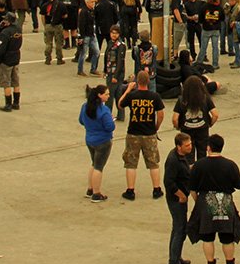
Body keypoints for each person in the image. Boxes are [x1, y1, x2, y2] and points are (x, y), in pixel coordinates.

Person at [186, 133, 240, 264]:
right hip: (225, 202)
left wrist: (199, 202)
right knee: (227, 237)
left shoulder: (199, 165)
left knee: (207, 237)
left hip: (206, 202)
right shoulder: (230, 165)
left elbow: (192, 187)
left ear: (208, 148)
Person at [119, 69, 165, 200]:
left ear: (137, 82)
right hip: (149, 133)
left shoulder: (132, 96)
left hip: (133, 132)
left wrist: (128, 90)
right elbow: (161, 114)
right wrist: (156, 127)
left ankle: (130, 190)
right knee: (153, 163)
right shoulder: (154, 96)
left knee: (131, 163)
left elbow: (120, 105)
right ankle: (156, 189)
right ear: (148, 82)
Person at [163, 132, 194, 264]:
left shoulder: (181, 156)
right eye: (187, 145)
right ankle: (173, 262)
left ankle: (176, 256)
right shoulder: (173, 160)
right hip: (176, 200)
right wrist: (180, 195)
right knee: (179, 229)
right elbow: (168, 182)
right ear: (179, 146)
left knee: (180, 229)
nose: (190, 147)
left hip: (181, 197)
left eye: (190, 144)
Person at [79, 84, 116, 202]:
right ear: (100, 95)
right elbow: (110, 127)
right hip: (102, 141)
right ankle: (96, 193)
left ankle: (90, 189)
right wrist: (111, 119)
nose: (108, 96)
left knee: (94, 163)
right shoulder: (104, 111)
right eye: (106, 94)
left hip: (90, 139)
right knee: (99, 167)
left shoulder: (85, 107)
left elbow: (81, 120)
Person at [174, 74, 219, 159]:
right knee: (202, 154)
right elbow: (215, 115)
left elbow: (175, 118)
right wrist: (209, 124)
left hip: (186, 131)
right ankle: (200, 171)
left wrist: (178, 127)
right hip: (202, 130)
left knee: (188, 155)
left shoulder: (182, 100)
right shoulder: (205, 98)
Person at [0, 14, 23, 112]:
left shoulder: (5, 33)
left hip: (6, 59)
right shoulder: (18, 29)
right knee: (15, 80)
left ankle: (8, 104)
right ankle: (16, 103)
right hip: (16, 55)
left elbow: (1, 48)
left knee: (6, 82)